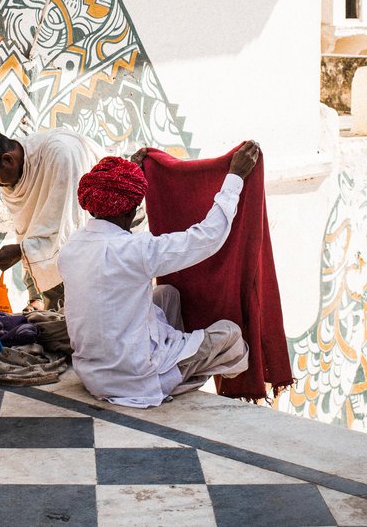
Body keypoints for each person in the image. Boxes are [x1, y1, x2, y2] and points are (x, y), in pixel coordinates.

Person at [58, 140, 259, 407]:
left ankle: (172, 354)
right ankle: (178, 377)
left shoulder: (72, 247)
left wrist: (135, 169)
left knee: (167, 294)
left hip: (91, 374)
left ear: (92, 205)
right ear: (131, 210)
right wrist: (235, 177)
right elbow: (207, 237)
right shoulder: (134, 250)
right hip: (136, 379)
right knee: (230, 334)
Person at [0, 128, 101, 310]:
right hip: (65, 253)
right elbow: (30, 232)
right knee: (56, 320)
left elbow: (68, 229)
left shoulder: (60, 154)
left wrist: (21, 251)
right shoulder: (12, 177)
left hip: (104, 231)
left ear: (8, 159)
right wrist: (33, 293)